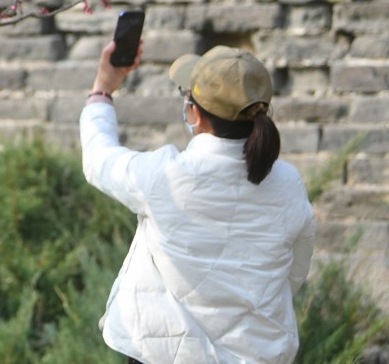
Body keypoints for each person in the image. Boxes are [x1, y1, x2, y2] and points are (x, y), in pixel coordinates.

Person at [81, 41, 316, 364]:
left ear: (195, 113)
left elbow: (99, 159)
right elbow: (294, 272)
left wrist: (102, 91)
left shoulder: (164, 176)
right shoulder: (289, 184)